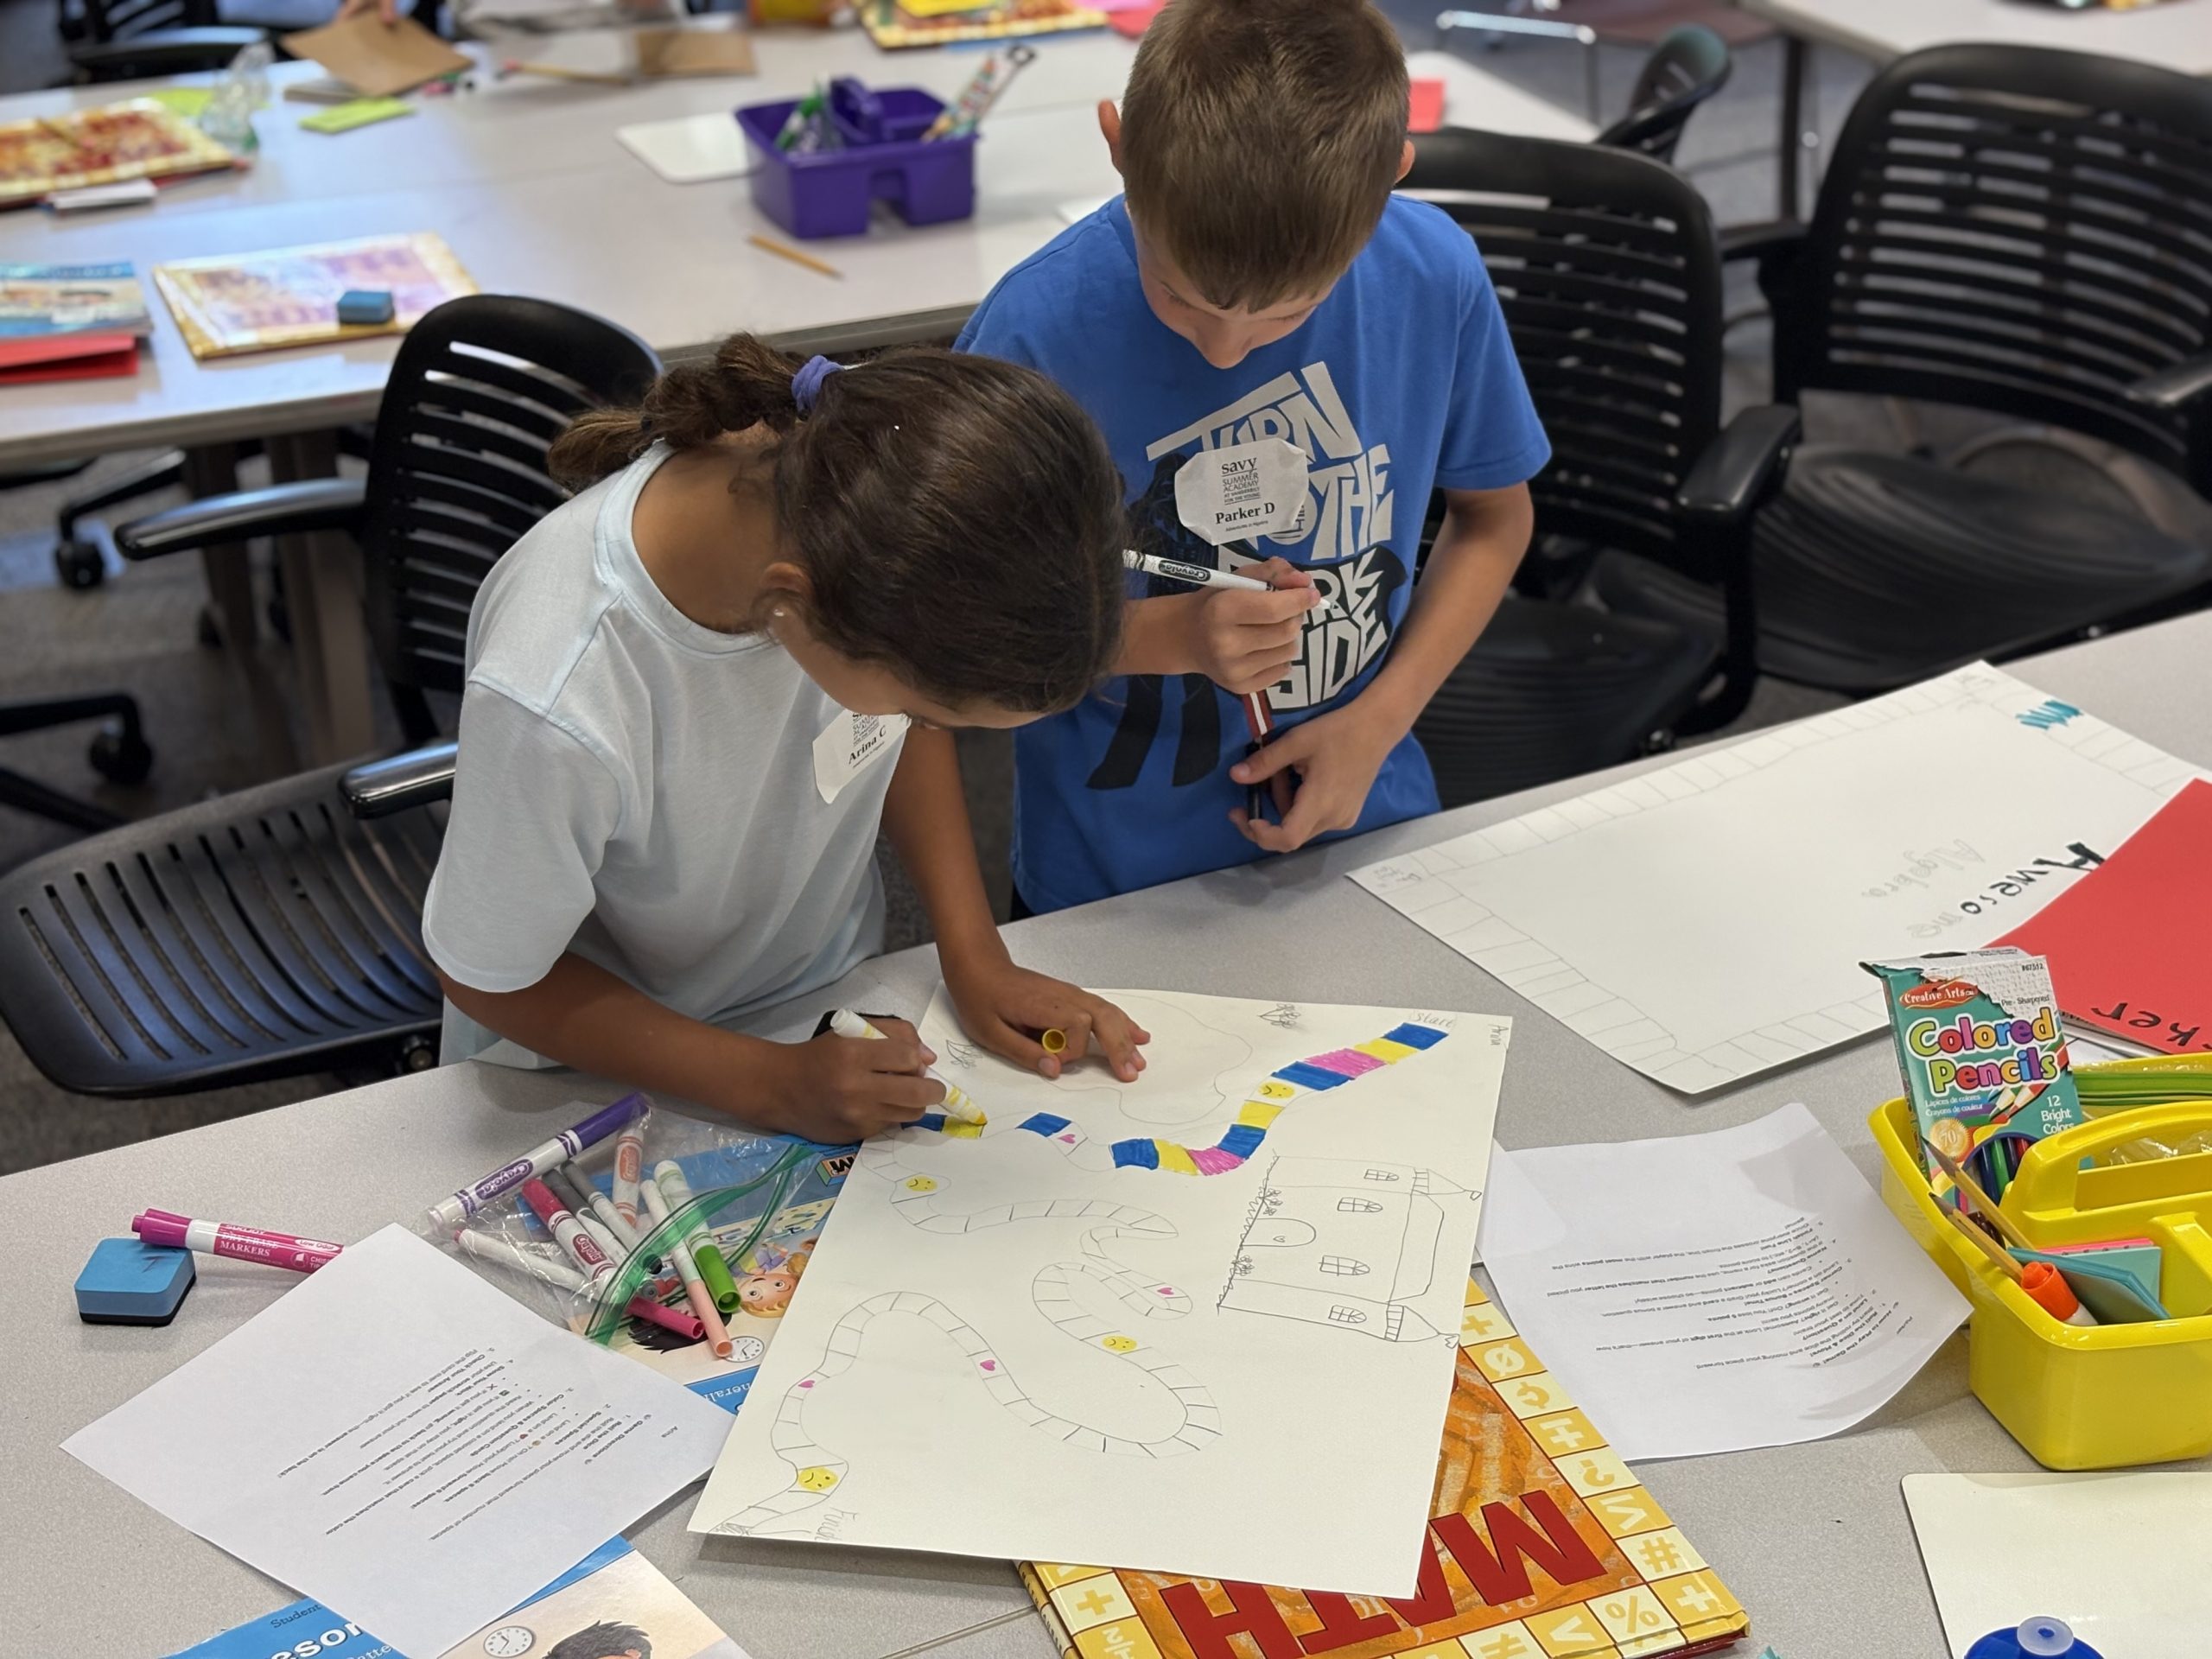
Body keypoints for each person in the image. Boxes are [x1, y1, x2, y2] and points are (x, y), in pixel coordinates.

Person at [420, 338, 1150, 1145]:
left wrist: (975, 955)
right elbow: (491, 978)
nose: (923, 727)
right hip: (591, 1074)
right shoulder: (560, 691)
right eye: (926, 711)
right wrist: (766, 1084)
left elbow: (895, 722)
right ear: (792, 609)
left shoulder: (864, 479)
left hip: (809, 1004)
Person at [956, 0, 1549, 917]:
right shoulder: (1033, 334)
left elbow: (1493, 521)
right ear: (1119, 146)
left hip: (1364, 823)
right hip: (1113, 872)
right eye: (1179, 296)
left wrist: (1377, 723)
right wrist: (1166, 638)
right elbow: (957, 629)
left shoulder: (1434, 276)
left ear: (1390, 179)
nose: (1225, 351)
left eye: (1287, 314)